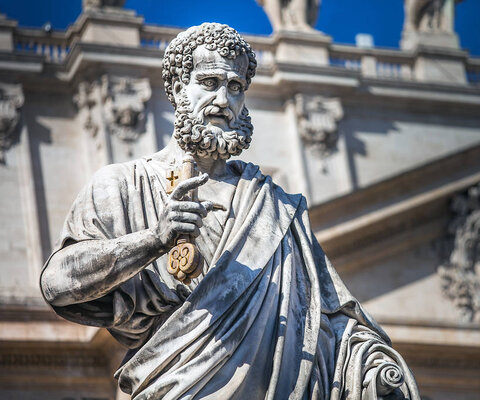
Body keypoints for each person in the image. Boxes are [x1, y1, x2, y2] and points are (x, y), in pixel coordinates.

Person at [40, 23, 419, 400]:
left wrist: (369, 367)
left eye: (235, 87)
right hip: (176, 386)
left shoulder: (275, 207)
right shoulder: (122, 184)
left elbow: (331, 320)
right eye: (209, 83)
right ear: (176, 89)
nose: (223, 99)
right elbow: (57, 284)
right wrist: (153, 240)